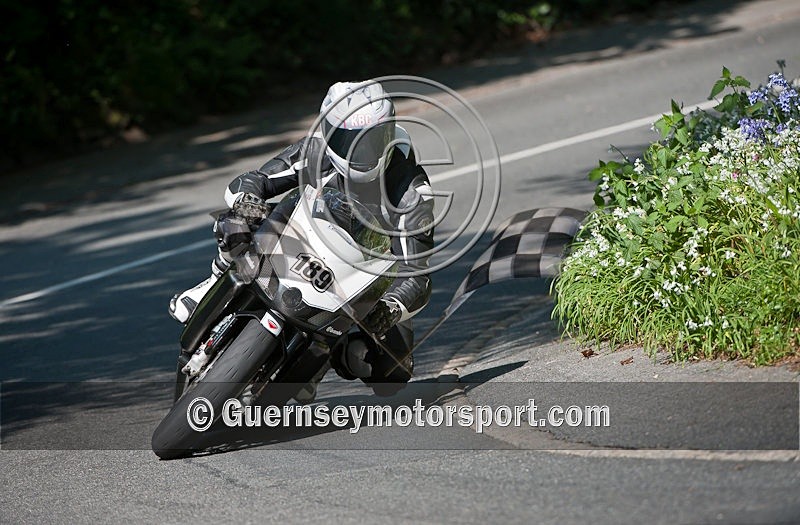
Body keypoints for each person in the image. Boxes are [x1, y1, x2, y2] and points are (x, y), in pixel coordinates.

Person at [169, 80, 434, 398]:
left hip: (363, 272)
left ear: (389, 133)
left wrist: (390, 309)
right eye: (348, 140)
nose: (361, 152)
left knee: (391, 372)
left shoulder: (411, 192)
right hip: (305, 237)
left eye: (372, 140)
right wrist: (248, 206)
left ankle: (317, 363)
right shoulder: (317, 150)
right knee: (234, 222)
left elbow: (418, 277)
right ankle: (213, 282)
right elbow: (254, 180)